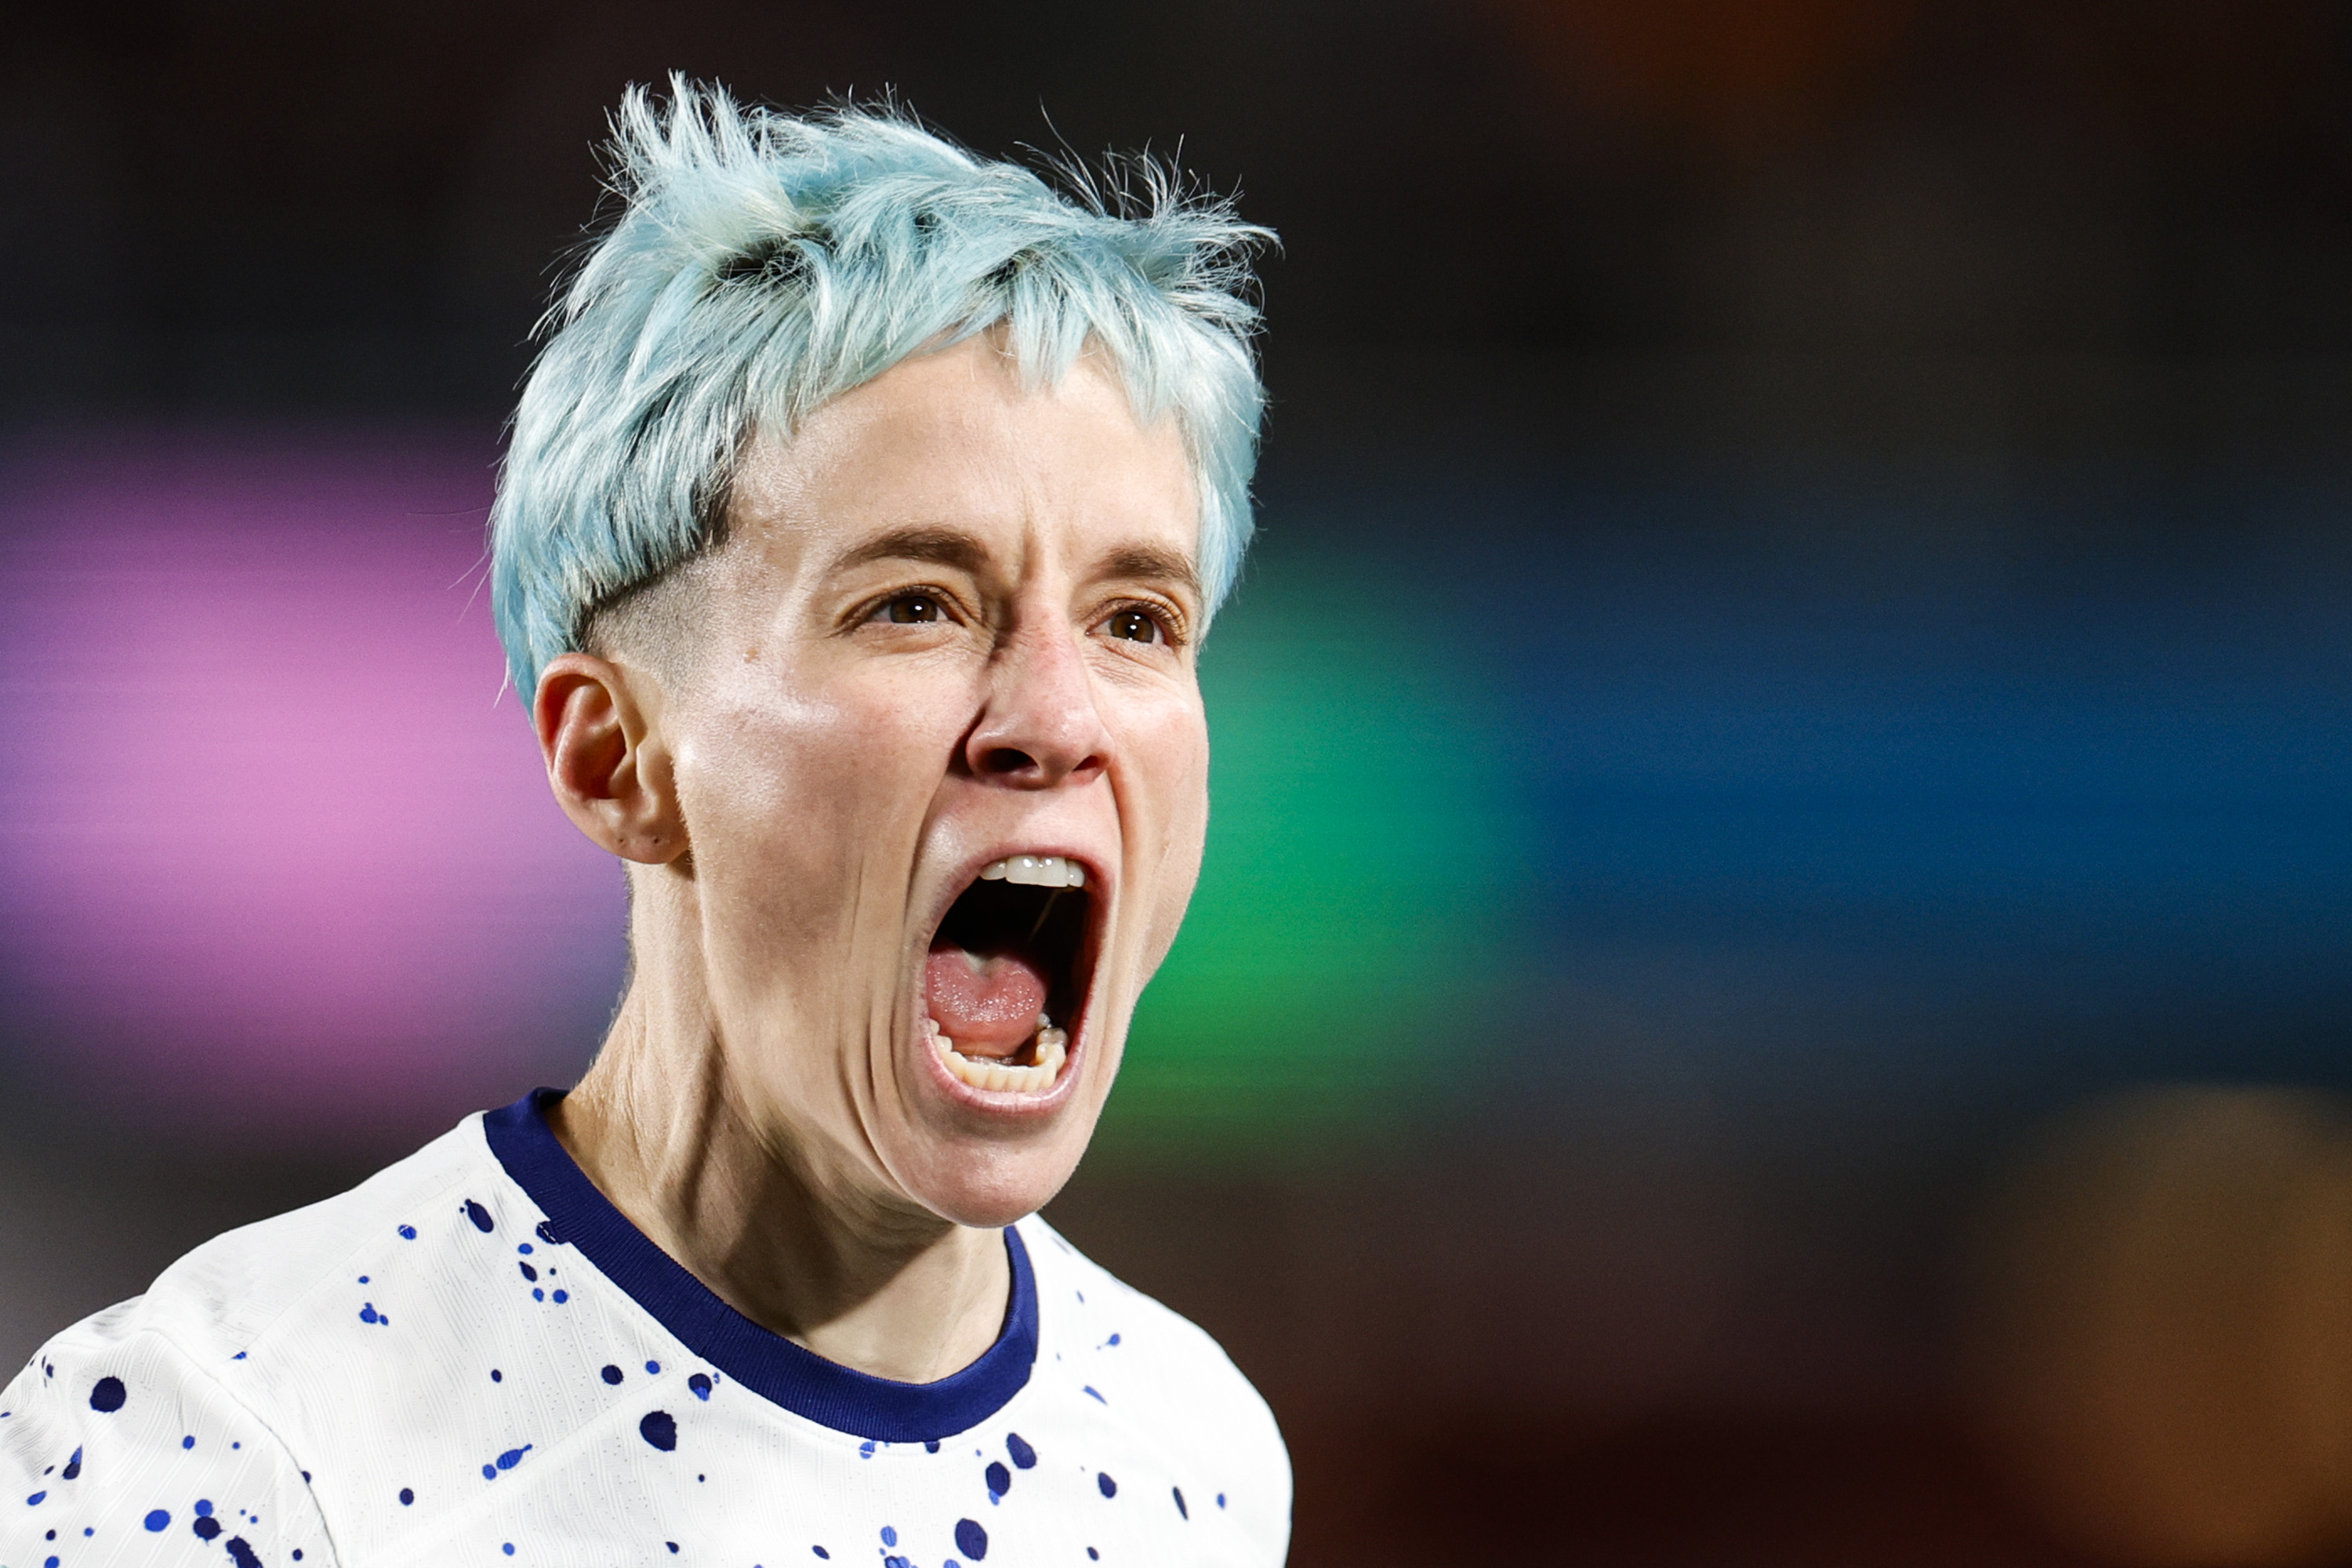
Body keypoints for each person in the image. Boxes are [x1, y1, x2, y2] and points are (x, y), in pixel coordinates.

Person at [1, 78, 1287, 1567]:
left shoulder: (1195, 1457)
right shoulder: (223, 1450)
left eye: (1137, 619)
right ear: (618, 760)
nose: (1056, 717)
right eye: (917, 604)